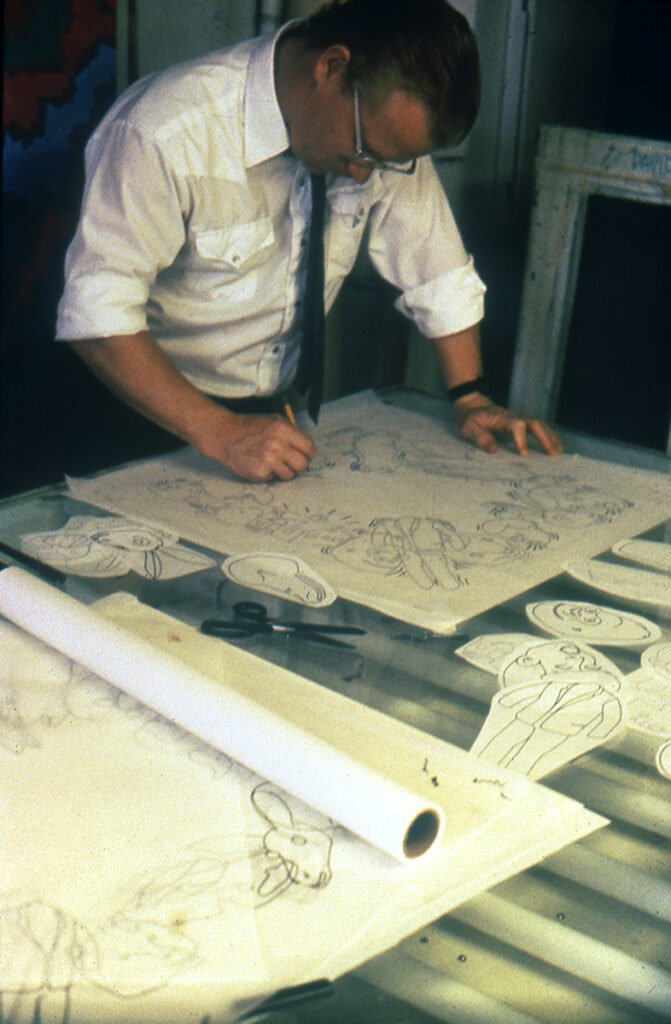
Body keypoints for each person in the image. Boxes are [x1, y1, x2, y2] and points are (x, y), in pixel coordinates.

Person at [56, 0, 562, 484]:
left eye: (386, 163)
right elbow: (98, 318)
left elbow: (439, 272)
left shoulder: (377, 133)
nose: (366, 175)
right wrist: (220, 432)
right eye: (364, 153)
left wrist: (470, 398)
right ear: (331, 68)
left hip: (266, 422)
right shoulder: (163, 132)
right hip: (142, 413)